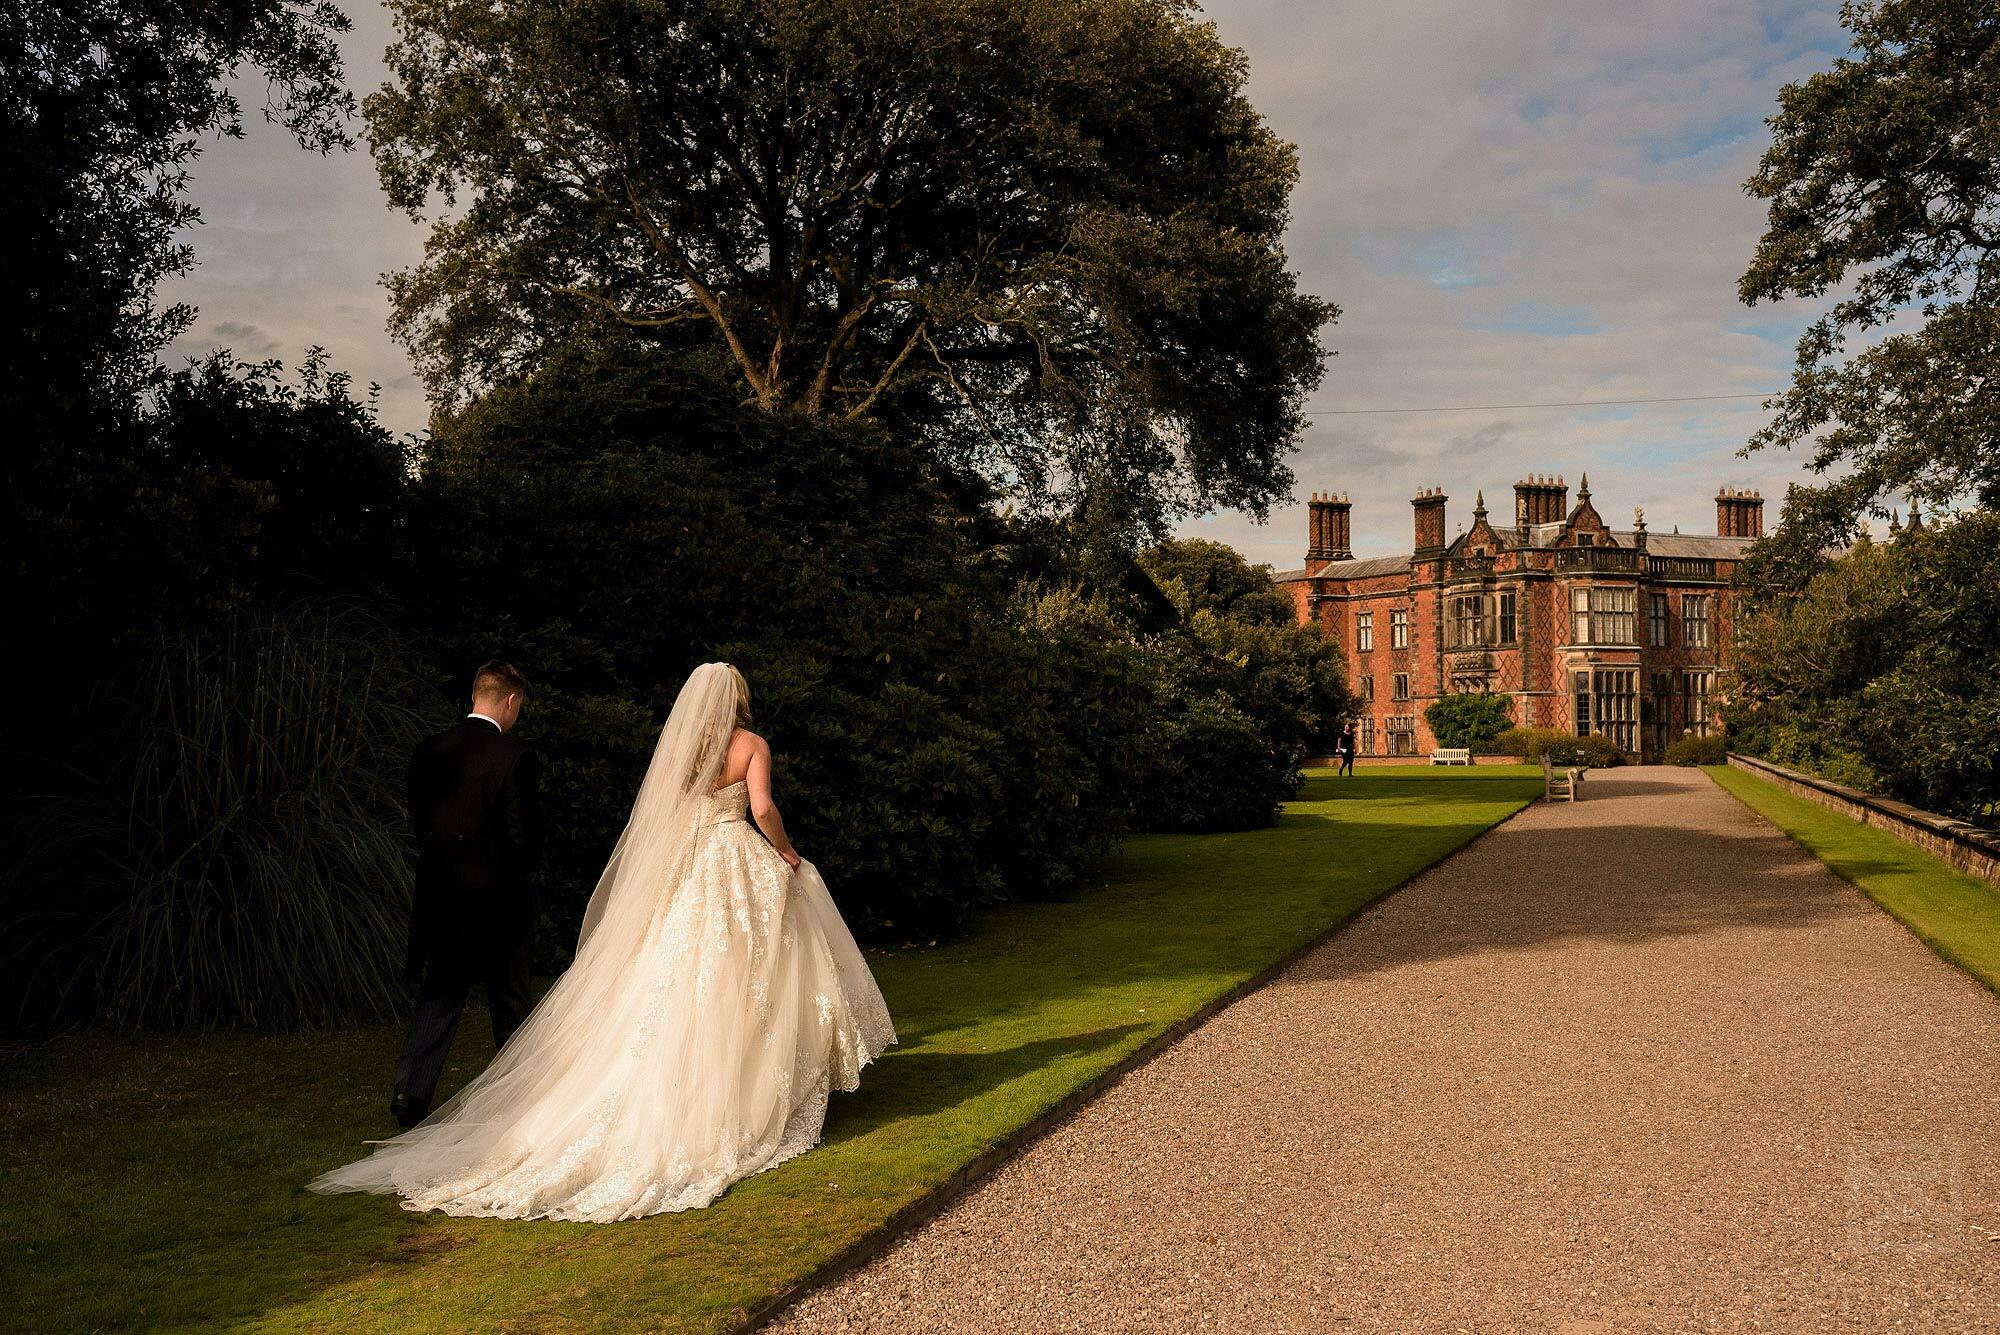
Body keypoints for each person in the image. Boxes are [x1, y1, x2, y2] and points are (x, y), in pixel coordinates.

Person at [311, 662, 896, 1222]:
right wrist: (786, 851)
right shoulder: (751, 745)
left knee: (671, 972)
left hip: (678, 868)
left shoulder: (685, 747)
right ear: (739, 700)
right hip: (727, 857)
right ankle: (743, 1090)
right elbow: (762, 807)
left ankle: (438, 1098)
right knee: (746, 973)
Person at [391, 660, 542, 1129]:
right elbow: (522, 839)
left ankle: (409, 1093)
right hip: (497, 901)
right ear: (512, 701)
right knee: (509, 1000)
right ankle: (520, 1094)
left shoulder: (429, 750)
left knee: (441, 992)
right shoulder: (514, 758)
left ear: (476, 694)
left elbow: (419, 822)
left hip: (441, 894)